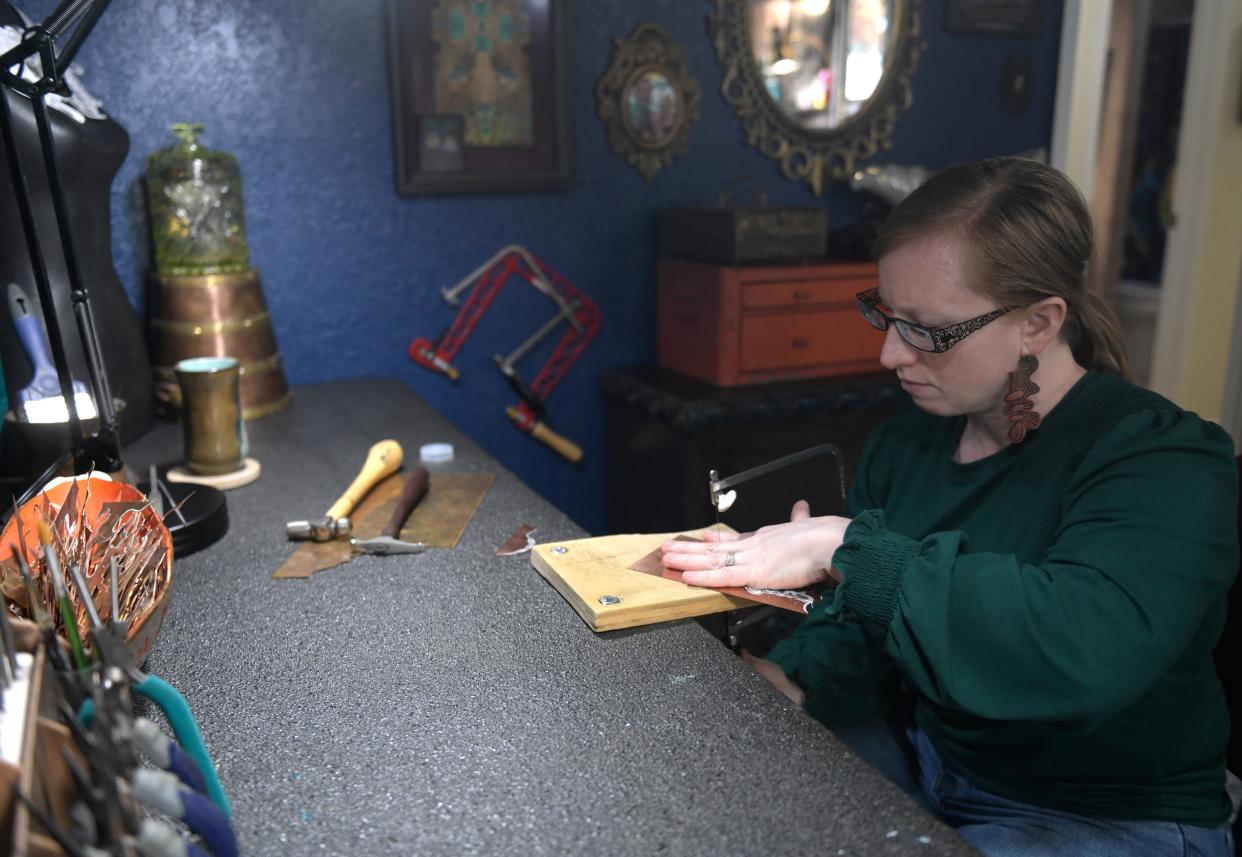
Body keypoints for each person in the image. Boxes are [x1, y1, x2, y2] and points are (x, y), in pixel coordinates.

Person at [661, 157, 1238, 857]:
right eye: (885, 313)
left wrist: (844, 548)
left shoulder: (1162, 460)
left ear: (1039, 323)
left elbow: (1078, 651)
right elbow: (877, 633)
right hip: (929, 755)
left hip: (1102, 811)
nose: (886, 353)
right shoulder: (906, 444)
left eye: (927, 331)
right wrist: (796, 678)